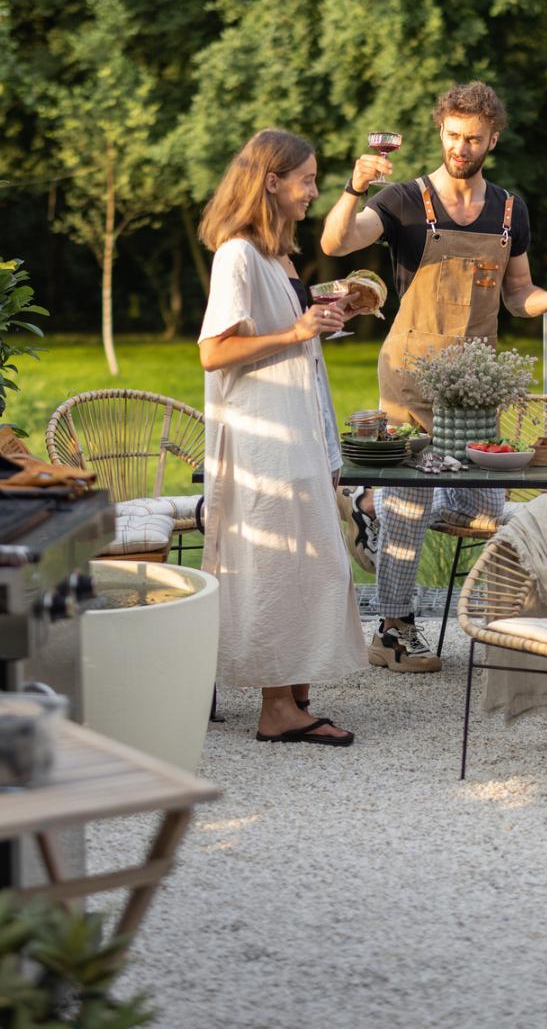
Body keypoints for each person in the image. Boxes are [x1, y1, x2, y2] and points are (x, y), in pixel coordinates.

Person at [321, 81, 547, 673]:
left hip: (476, 389)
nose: (461, 147)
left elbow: (519, 295)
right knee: (412, 502)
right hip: (409, 377)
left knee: (480, 506)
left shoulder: (508, 209)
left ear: (492, 138)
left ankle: (368, 501)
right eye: (452, 135)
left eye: (473, 138)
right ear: (439, 131)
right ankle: (393, 629)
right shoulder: (399, 200)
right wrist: (353, 187)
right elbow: (335, 241)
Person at [199, 129, 366, 744]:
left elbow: (288, 331)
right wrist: (297, 333)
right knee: (276, 560)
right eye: (306, 179)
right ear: (271, 181)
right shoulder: (237, 255)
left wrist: (323, 321)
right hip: (265, 437)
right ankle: (276, 709)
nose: (313, 191)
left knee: (309, 560)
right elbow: (214, 353)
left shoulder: (278, 257)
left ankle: (295, 694)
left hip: (299, 428)